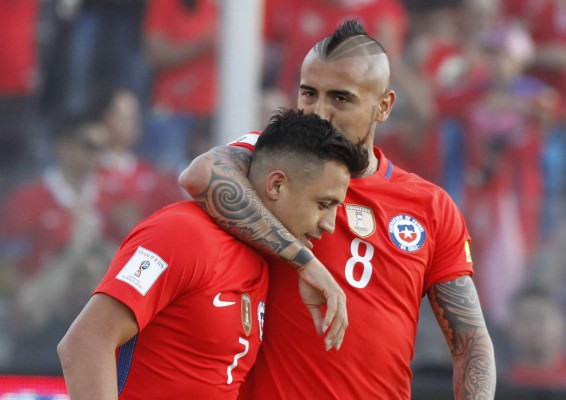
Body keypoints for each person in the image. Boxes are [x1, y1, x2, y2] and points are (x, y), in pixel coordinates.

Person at [179, 19, 497, 399]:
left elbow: (471, 342)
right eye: (309, 93)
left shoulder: (430, 206)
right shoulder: (267, 160)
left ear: (384, 106)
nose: (319, 112)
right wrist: (304, 261)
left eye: (340, 98)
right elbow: (201, 175)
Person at [57, 109, 369, 399]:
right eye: (324, 204)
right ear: (276, 185)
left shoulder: (260, 260)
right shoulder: (181, 233)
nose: (329, 224)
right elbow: (85, 344)